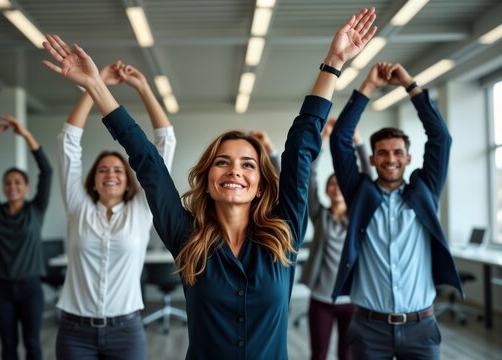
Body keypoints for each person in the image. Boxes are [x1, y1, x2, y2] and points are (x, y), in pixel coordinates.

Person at [41, 7, 376, 358]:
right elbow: (148, 162)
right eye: (222, 162)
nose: (235, 171)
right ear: (208, 179)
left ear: (260, 185)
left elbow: (301, 146)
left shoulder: (285, 232)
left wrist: (333, 62)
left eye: (248, 165)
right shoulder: (187, 238)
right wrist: (95, 85)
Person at [329, 62, 462, 360]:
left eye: (398, 152)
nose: (391, 159)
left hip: (421, 327)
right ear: (373, 159)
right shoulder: (359, 194)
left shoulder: (425, 191)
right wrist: (369, 87)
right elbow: (340, 140)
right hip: (369, 328)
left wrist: (410, 85)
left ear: (408, 158)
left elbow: (441, 138)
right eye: (383, 153)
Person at [54, 61, 176, 359]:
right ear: (93, 181)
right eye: (104, 170)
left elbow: (165, 143)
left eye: (119, 171)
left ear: (129, 180)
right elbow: (68, 141)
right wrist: (94, 85)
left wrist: (144, 88)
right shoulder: (77, 206)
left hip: (127, 330)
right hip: (75, 332)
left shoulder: (142, 209)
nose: (111, 174)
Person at [0, 116, 52, 360]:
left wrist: (26, 136)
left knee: (33, 344)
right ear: (3, 187)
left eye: (18, 182)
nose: (12, 186)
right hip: (1, 289)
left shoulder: (35, 210)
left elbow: (46, 172)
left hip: (31, 288)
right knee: (8, 345)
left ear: (26, 187)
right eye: (7, 183)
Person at [299, 118, 371, 360]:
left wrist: (358, 143)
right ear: (328, 190)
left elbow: (368, 178)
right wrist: (324, 139)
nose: (336, 187)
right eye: (332, 184)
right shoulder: (319, 215)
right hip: (321, 298)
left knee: (347, 355)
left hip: (352, 299)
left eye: (340, 183)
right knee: (318, 354)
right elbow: (308, 176)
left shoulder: (358, 216)